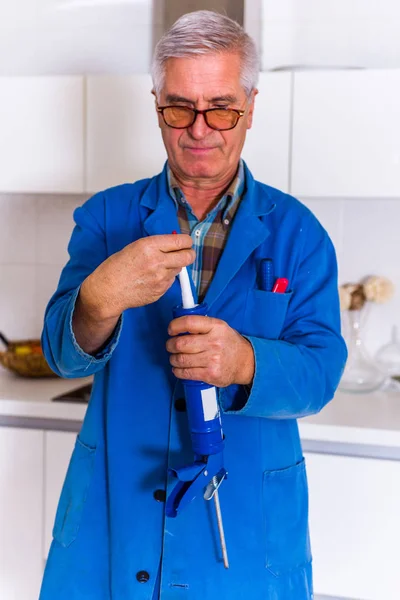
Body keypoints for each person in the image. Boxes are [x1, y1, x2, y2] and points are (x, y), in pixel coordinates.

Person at [39, 10, 347, 600]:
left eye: (222, 107)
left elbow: (320, 372)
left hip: (245, 521)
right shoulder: (107, 220)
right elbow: (63, 355)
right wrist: (99, 297)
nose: (199, 128)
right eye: (179, 107)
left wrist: (244, 363)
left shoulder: (299, 233)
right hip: (118, 509)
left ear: (251, 107)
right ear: (156, 104)